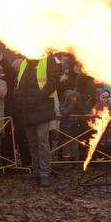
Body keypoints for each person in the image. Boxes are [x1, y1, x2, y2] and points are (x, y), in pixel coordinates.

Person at [10, 56, 67, 188]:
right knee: (32, 141)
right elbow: (17, 83)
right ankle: (36, 169)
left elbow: (53, 82)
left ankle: (45, 173)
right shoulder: (24, 62)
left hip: (42, 108)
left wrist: (39, 97)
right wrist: (17, 97)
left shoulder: (48, 60)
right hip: (27, 109)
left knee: (42, 140)